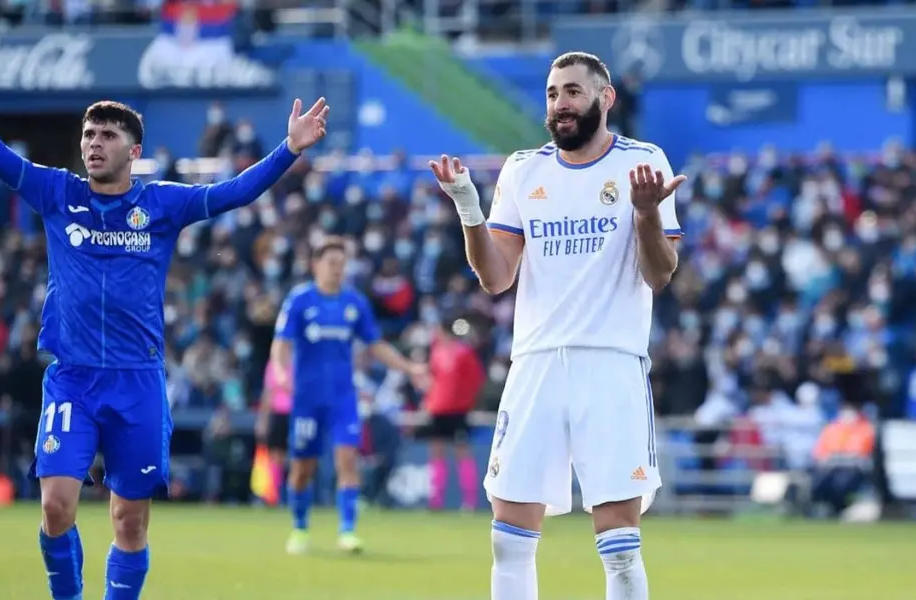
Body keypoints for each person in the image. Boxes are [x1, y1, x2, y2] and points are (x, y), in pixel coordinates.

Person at [0, 22, 328, 600]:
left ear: (133, 150)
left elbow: (234, 192)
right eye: (87, 134)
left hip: (137, 381)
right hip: (73, 379)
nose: (92, 143)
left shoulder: (161, 204)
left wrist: (288, 150)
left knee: (129, 521)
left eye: (105, 134)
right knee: (56, 505)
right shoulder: (58, 193)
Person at [430, 51, 683, 600]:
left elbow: (660, 274)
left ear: (605, 98)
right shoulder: (525, 170)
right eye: (551, 94)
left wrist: (645, 215)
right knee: (510, 539)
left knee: (619, 544)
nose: (560, 104)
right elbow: (496, 278)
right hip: (536, 364)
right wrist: (469, 208)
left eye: (572, 92)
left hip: (610, 361)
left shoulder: (644, 163)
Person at [270, 236, 429, 555]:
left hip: (343, 398)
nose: (338, 270)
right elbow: (282, 343)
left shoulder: (354, 303)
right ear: (316, 265)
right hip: (307, 399)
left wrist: (409, 368)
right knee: (303, 468)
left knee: (348, 459)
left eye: (342, 265)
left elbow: (376, 344)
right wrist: (281, 372)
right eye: (332, 263)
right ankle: (300, 528)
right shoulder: (300, 300)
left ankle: (348, 531)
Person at [422, 315, 485, 511]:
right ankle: (436, 500)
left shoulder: (463, 353)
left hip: (458, 410)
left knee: (462, 453)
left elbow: (476, 379)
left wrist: (466, 401)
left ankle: (469, 502)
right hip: (437, 410)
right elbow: (432, 380)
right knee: (437, 452)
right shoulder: (436, 353)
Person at [255, 358, 293, 503]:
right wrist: (263, 419)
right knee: (276, 457)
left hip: (297, 413)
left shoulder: (302, 360)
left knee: (299, 457)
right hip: (278, 413)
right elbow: (268, 393)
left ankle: (295, 496)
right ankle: (274, 497)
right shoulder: (274, 364)